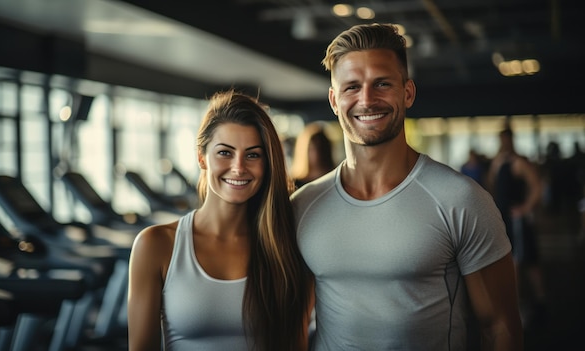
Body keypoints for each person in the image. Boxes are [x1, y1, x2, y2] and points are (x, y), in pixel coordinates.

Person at [291, 23, 523, 350]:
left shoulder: (461, 200)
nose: (367, 99)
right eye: (352, 87)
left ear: (408, 92)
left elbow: (501, 328)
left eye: (382, 83)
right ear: (333, 100)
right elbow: (293, 326)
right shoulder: (303, 205)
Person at [128, 90, 313, 351]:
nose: (238, 167)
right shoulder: (155, 245)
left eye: (253, 155)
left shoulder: (284, 245)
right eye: (225, 153)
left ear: (267, 163)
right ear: (202, 158)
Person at [488, 127, 547, 330]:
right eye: (501, 140)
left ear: (511, 141)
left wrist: (525, 208)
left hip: (517, 220)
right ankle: (529, 304)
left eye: (506, 140)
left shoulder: (519, 163)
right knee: (520, 261)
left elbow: (537, 187)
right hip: (504, 218)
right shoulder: (499, 162)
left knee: (519, 262)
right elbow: (492, 185)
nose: (504, 143)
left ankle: (524, 307)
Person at [290, 121, 336, 188]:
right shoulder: (294, 183)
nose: (316, 153)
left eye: (320, 148)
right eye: (311, 148)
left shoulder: (336, 179)